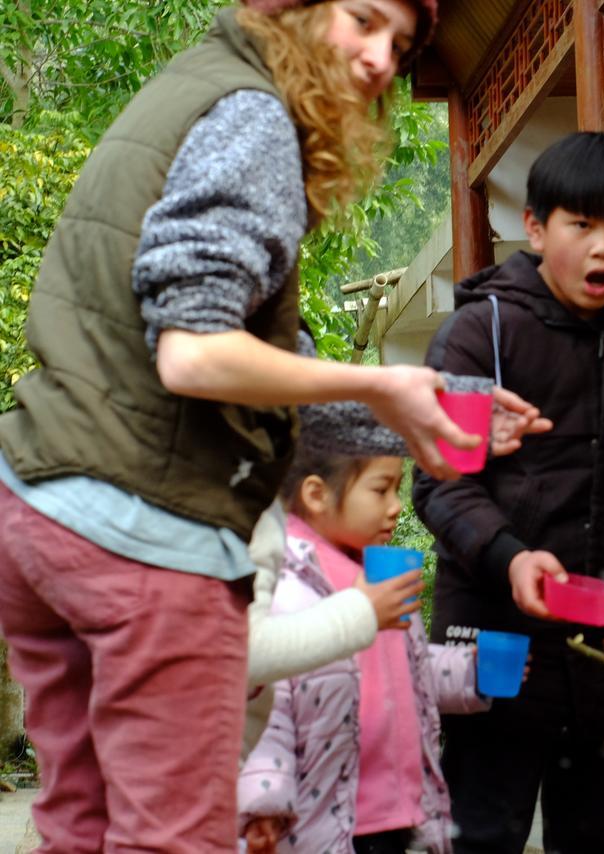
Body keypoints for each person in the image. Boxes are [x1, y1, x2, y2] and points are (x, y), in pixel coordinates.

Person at [0, 2, 543, 849]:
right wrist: (381, 383)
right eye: (363, 20)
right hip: (141, 533)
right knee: (171, 836)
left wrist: (424, 396)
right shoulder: (254, 116)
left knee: (84, 823)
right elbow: (193, 353)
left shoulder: (194, 88)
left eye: (400, 48)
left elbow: (253, 369)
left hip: (42, 508)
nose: (377, 59)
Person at [412, 131, 604, 853]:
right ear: (536, 226)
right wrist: (511, 557)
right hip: (492, 635)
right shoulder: (475, 337)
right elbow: (440, 482)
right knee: (480, 836)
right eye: (581, 226)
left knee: (594, 836)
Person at [239, 404, 490, 854]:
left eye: (398, 487)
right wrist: (262, 799)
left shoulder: (381, 572)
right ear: (316, 494)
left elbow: (408, 667)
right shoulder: (285, 582)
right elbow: (267, 703)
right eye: (381, 489)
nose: (396, 507)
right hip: (324, 822)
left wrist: (474, 672)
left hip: (400, 813)